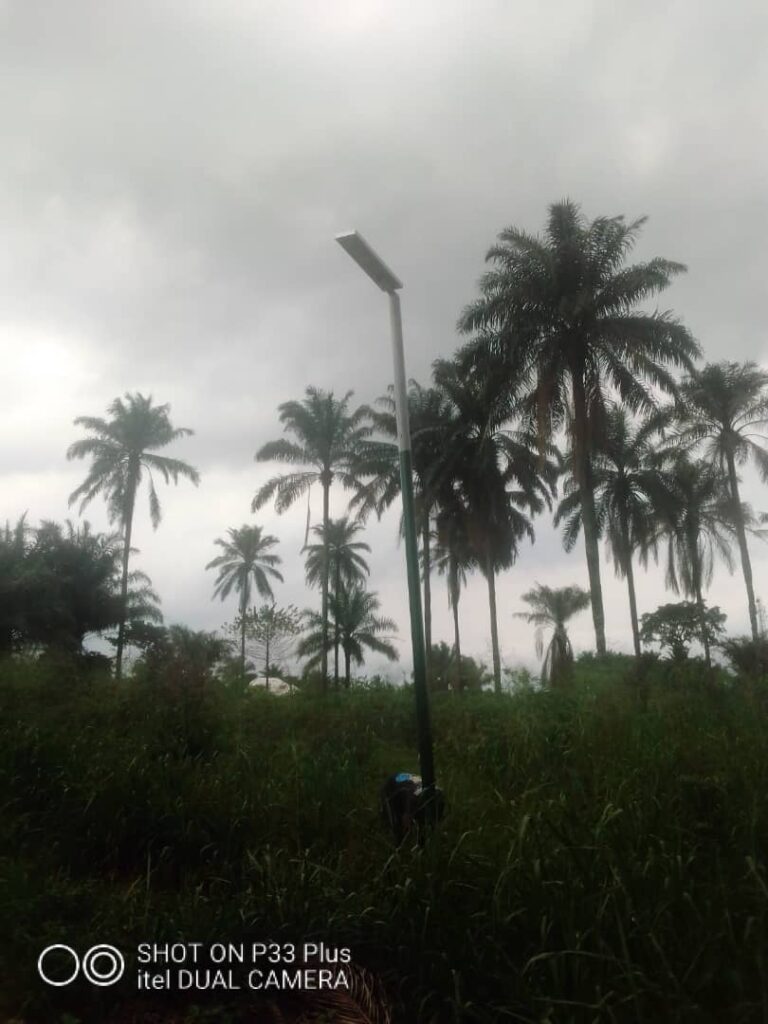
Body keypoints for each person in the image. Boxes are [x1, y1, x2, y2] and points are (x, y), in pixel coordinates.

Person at [380, 772, 445, 845]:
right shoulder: (413, 799)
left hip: (411, 792)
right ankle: (398, 844)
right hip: (391, 787)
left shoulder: (439, 797)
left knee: (421, 824)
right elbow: (406, 819)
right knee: (396, 824)